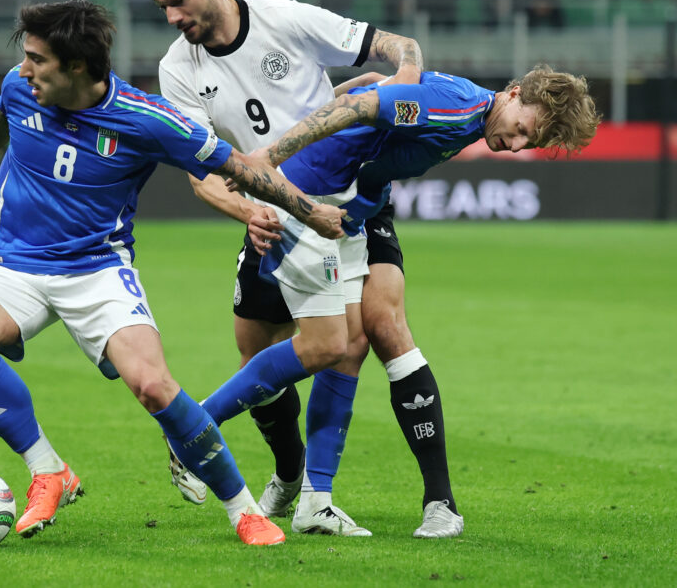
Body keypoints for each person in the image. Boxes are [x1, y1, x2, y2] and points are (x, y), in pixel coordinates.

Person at [0, 0, 350, 546]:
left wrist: (309, 210)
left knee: (155, 387)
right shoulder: (20, 86)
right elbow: (5, 114)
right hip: (15, 261)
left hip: (96, 270)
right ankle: (49, 470)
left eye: (39, 60)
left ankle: (244, 510)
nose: (26, 70)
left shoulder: (147, 120)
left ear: (79, 67)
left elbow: (235, 167)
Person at [213, 65, 599, 539]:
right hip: (316, 193)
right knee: (268, 344)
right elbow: (366, 105)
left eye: (529, 143)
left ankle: (422, 502)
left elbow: (374, 89)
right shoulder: (456, 108)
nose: (516, 146)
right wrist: (268, 156)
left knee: (372, 330)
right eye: (521, 129)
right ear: (514, 92)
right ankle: (267, 461)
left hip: (360, 206)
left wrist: (371, 85)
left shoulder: (472, 115)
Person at [139, 0, 431, 537]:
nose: (172, 17)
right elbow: (204, 175)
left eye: (177, 1)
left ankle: (323, 495)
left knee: (350, 337)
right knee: (254, 344)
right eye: (163, 8)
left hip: (345, 203)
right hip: (271, 217)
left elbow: (396, 44)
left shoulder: (284, 18)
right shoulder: (177, 68)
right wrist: (252, 214)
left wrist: (406, 72)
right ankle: (292, 474)